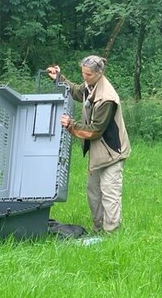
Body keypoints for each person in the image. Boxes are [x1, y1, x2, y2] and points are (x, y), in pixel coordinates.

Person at [47, 55, 131, 233]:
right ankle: (98, 229)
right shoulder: (90, 85)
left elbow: (95, 130)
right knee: (93, 192)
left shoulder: (107, 98)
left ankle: (112, 233)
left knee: (110, 193)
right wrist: (59, 79)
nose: (85, 77)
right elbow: (78, 91)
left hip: (112, 152)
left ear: (99, 73)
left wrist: (71, 125)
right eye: (83, 73)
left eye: (88, 74)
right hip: (98, 152)